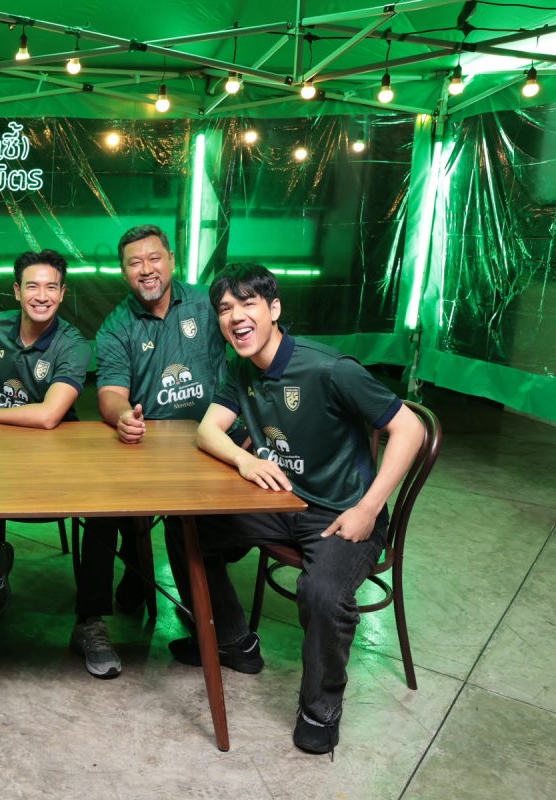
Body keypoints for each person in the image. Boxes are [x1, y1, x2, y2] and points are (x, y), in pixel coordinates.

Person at [167, 262, 423, 755]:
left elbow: (408, 428)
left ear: (274, 309)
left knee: (322, 592)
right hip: (280, 501)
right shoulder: (242, 369)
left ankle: (320, 708)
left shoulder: (329, 368)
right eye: (225, 308)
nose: (235, 317)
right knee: (186, 527)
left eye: (248, 304)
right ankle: (234, 642)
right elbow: (206, 430)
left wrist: (370, 508)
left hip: (342, 509)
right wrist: (245, 461)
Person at [72, 224, 227, 678]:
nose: (146, 269)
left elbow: (250, 344)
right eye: (134, 263)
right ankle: (91, 620)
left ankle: (213, 611)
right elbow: (110, 393)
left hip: (212, 442)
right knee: (102, 508)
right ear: (123, 272)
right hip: (147, 447)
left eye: (154, 258)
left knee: (209, 527)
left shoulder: (209, 303)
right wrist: (123, 415)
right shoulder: (116, 326)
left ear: (172, 260)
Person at [0, 249, 91, 616]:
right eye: (32, 286)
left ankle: (91, 613)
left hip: (55, 460)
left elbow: (49, 415)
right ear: (16, 291)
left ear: (62, 293)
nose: (41, 296)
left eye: (51, 287)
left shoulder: (73, 344)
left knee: (105, 508)